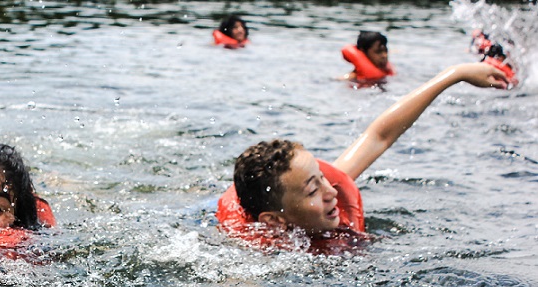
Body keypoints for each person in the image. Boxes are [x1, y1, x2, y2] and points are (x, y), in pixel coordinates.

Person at [217, 62, 510, 252]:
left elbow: (379, 136)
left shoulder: (325, 191)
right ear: (276, 222)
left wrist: (454, 75)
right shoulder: (253, 252)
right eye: (312, 189)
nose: (331, 191)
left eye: (322, 177)